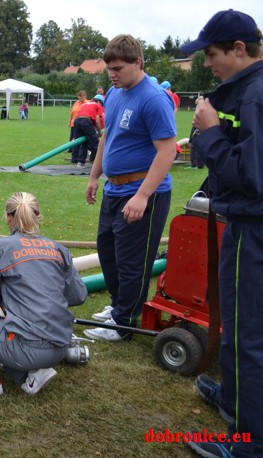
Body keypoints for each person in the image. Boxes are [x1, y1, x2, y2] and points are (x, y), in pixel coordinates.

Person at [178, 10, 263, 457]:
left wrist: (209, 134)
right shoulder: (247, 92)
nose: (206, 63)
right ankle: (234, 400)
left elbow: (253, 177)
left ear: (239, 49)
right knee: (238, 323)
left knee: (248, 331)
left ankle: (248, 443)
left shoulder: (255, 96)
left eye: (211, 54)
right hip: (246, 224)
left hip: (253, 227)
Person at [82, 34, 176, 341]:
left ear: (138, 63)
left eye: (118, 68)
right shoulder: (114, 93)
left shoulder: (152, 99)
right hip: (114, 189)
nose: (112, 74)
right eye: (109, 68)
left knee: (132, 261)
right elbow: (109, 137)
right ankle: (118, 305)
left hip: (142, 193)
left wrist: (142, 195)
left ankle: (124, 324)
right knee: (108, 252)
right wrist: (95, 176)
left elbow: (167, 151)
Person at [0, 192, 87, 396]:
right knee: (10, 323)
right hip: (60, 346)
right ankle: (30, 376)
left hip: (24, 349)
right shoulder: (59, 249)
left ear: (8, 217)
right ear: (38, 216)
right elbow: (78, 295)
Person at [71, 94, 104, 167]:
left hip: (77, 121)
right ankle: (94, 160)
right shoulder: (97, 105)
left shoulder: (85, 104)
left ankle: (79, 161)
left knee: (82, 142)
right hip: (86, 121)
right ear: (99, 102)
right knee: (95, 142)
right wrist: (99, 133)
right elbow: (97, 121)